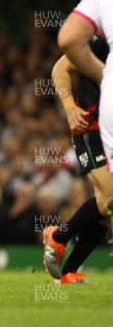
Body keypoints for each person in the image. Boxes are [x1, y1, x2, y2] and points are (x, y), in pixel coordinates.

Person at [42, 36, 110, 283]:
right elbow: (60, 68)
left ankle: (67, 273)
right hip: (91, 127)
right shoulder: (102, 37)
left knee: (104, 207)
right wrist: (70, 107)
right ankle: (58, 237)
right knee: (112, 198)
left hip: (110, 130)